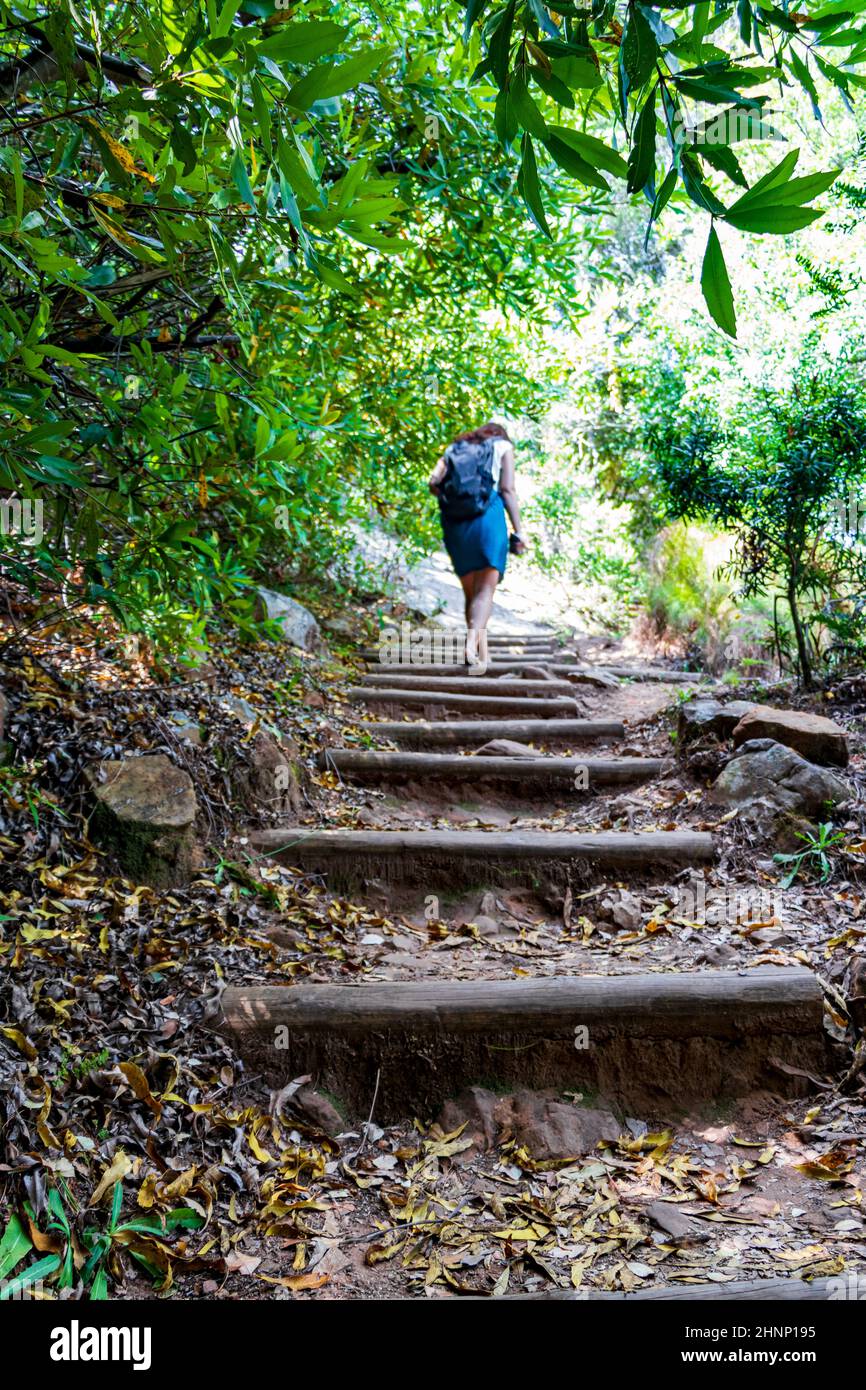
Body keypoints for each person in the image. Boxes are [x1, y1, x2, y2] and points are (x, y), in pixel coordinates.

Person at [428, 421, 526, 668]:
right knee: (485, 590)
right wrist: (519, 530)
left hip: (455, 522)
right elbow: (507, 489)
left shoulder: (454, 448)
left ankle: (482, 654)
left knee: (470, 592)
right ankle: (471, 646)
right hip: (487, 517)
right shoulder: (503, 446)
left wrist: (456, 501)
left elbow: (432, 482)